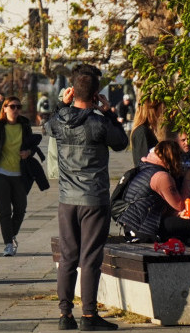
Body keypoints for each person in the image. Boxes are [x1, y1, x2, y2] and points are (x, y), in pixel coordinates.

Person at [44, 64, 127, 331]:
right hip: (94, 198)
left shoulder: (59, 120)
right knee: (90, 257)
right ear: (95, 96)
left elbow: (47, 127)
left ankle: (65, 314)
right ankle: (89, 316)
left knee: (68, 258)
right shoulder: (99, 123)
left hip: (67, 200)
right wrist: (109, 112)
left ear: (71, 92)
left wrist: (61, 106)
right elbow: (121, 142)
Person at [117, 140, 190, 250]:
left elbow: (154, 204)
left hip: (134, 225)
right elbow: (180, 205)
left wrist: (177, 215)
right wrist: (187, 179)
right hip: (145, 227)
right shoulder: (161, 176)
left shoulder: (146, 167)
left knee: (189, 240)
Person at [0, 96, 39, 257]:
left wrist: (28, 152)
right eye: (12, 106)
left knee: (21, 208)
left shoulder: (25, 125)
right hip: (1, 174)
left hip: (20, 175)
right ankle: (8, 244)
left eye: (18, 107)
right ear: (5, 108)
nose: (15, 110)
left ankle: (11, 235)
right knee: (5, 211)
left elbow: (32, 145)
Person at [129, 99, 165, 166]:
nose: (160, 113)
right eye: (160, 110)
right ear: (152, 111)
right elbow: (143, 161)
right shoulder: (142, 132)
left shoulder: (145, 130)